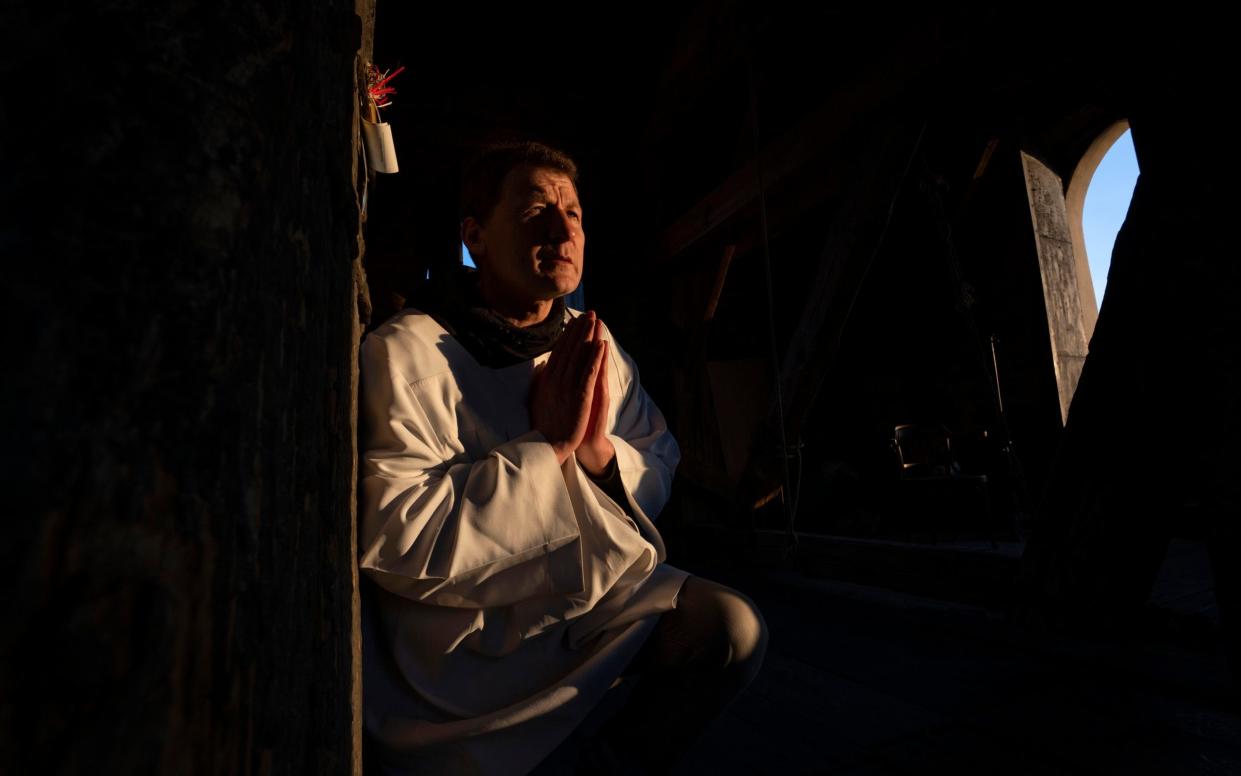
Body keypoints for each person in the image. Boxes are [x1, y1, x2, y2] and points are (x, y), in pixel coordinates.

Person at [358, 140, 767, 775]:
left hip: (586, 601)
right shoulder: (407, 351)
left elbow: (656, 455)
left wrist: (601, 455)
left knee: (732, 630)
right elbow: (397, 533)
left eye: (573, 213)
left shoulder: (594, 342)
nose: (562, 230)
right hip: (466, 647)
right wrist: (547, 450)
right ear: (477, 236)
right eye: (533, 213)